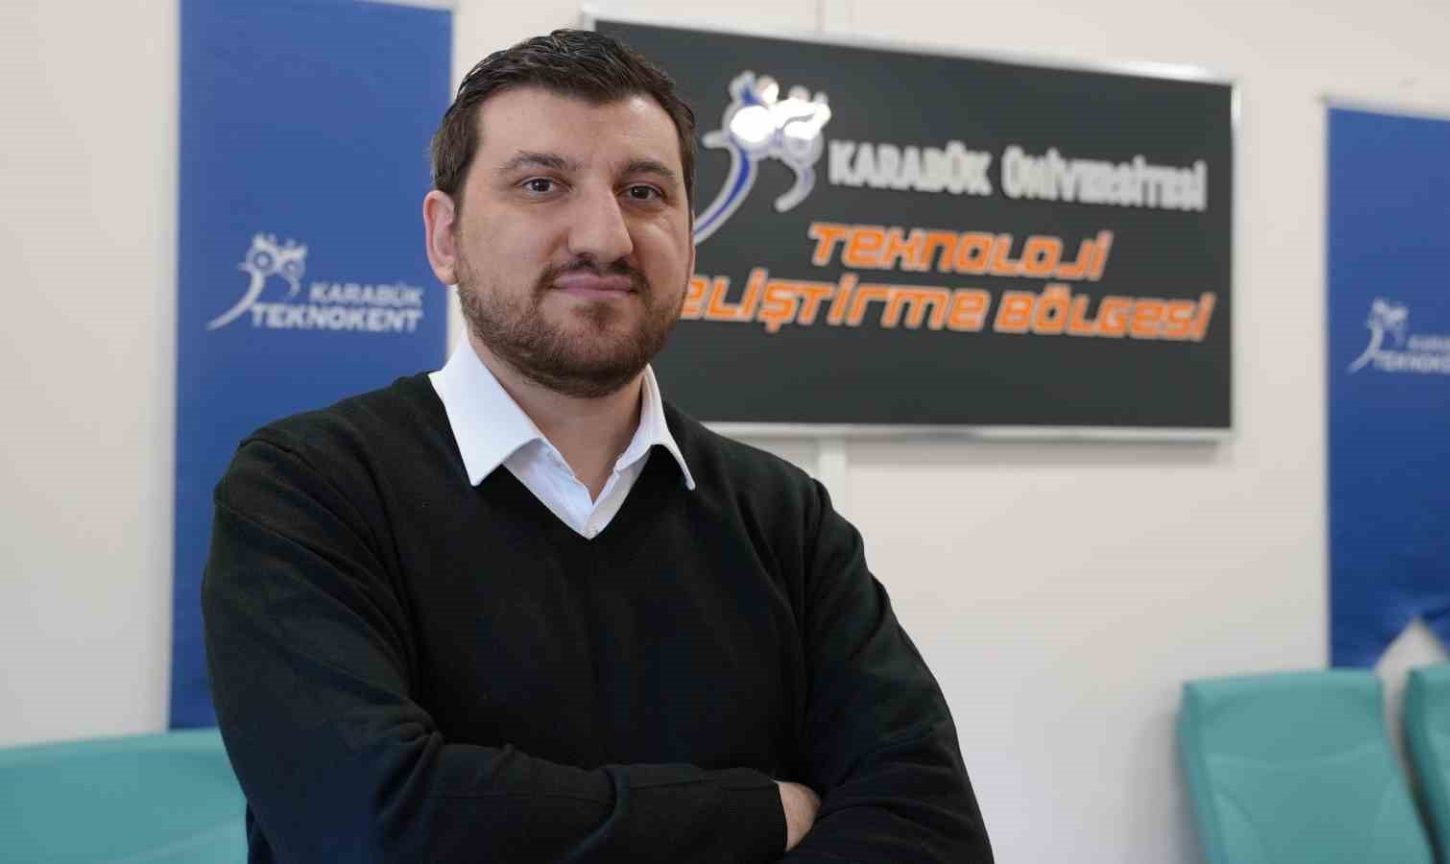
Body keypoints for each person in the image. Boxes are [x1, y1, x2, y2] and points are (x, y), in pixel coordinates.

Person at [203, 29, 993, 863]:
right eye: (541, 185)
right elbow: (373, 825)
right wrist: (757, 813)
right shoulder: (307, 491)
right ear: (445, 237)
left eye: (644, 192)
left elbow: (930, 828)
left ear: (690, 236)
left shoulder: (783, 518)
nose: (605, 236)